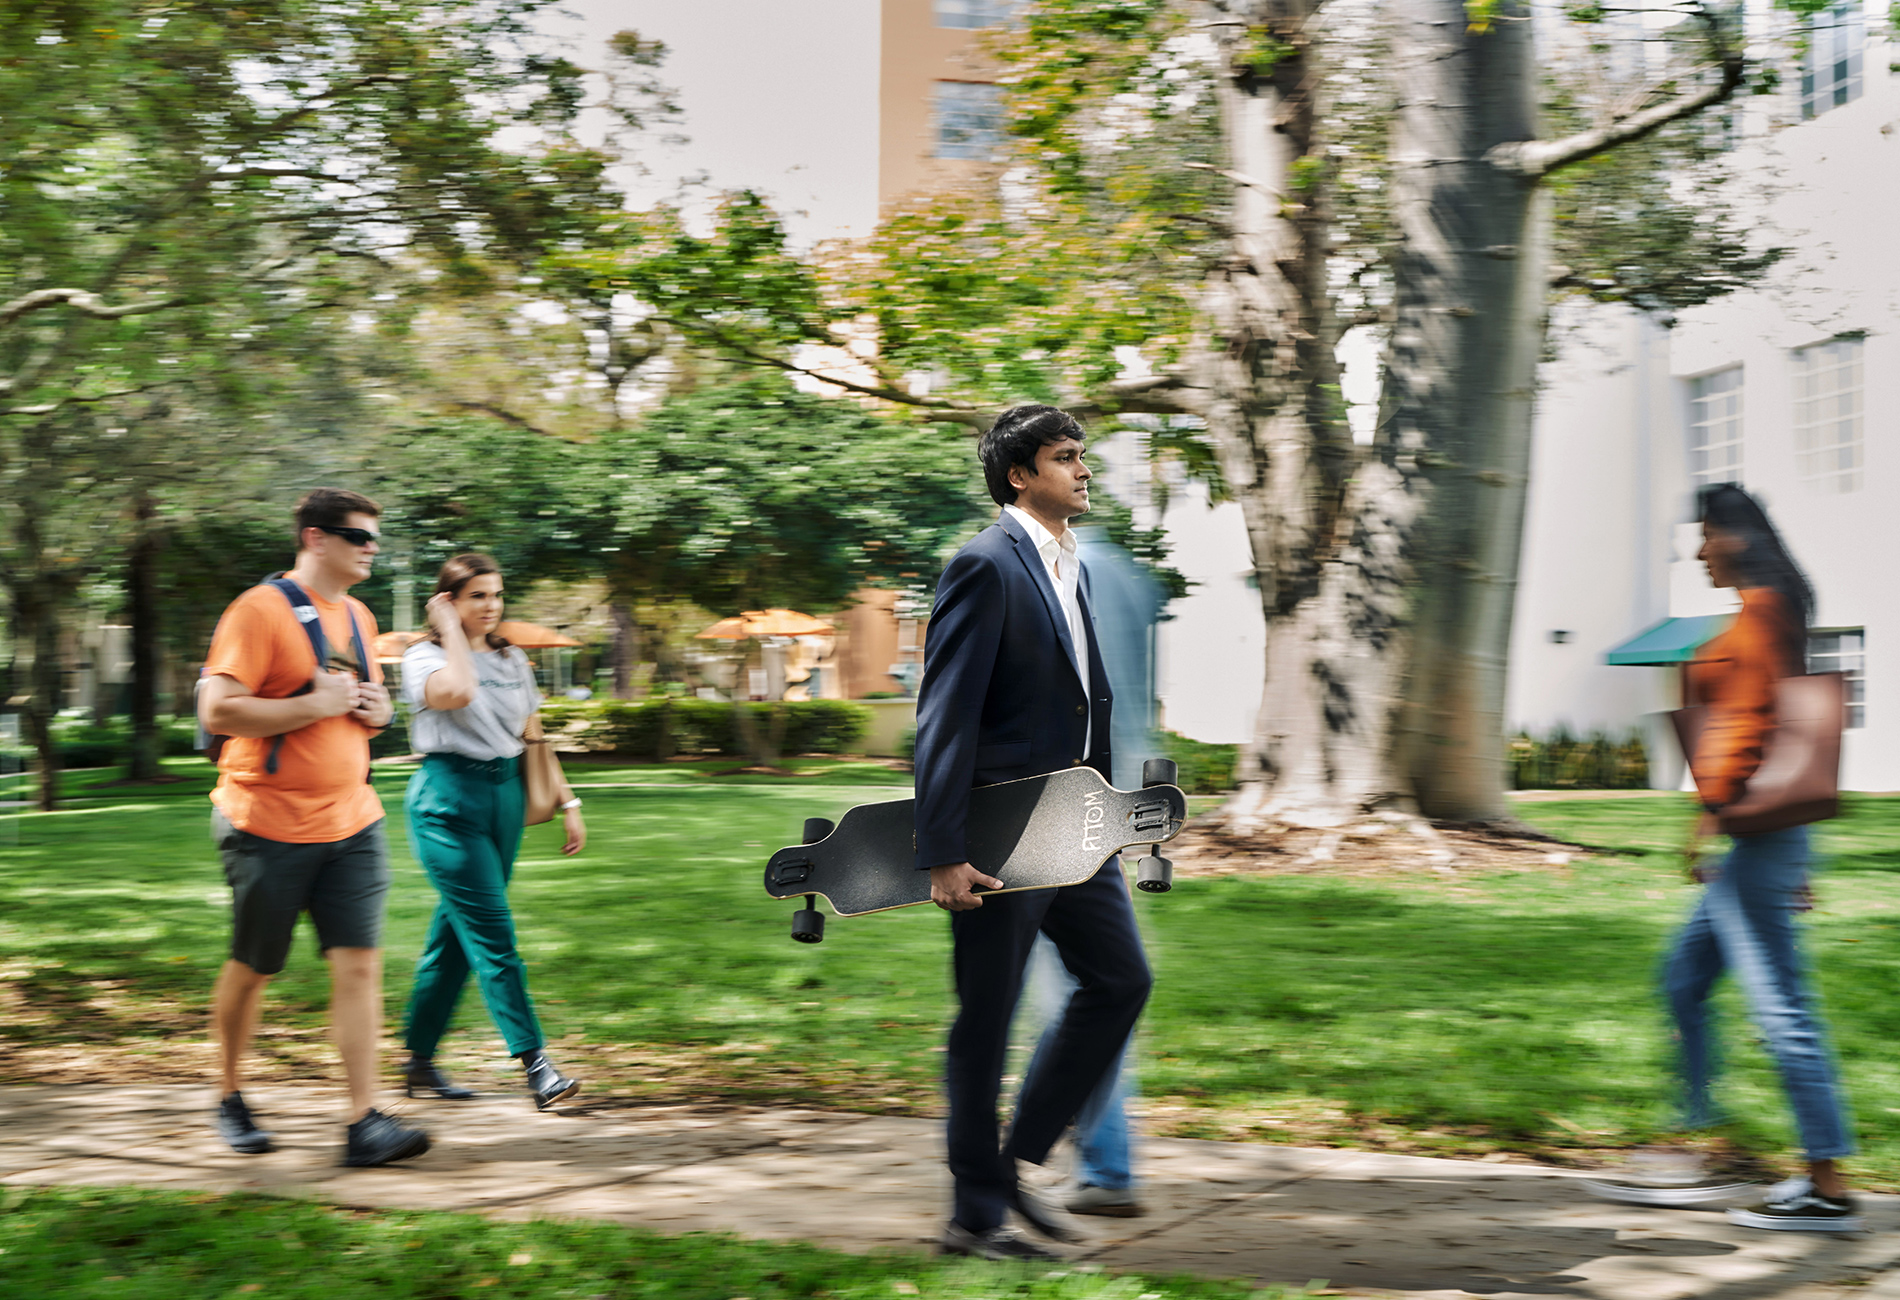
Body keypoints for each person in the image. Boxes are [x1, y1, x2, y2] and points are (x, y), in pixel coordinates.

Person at [913, 404, 1153, 1261]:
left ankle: (1008, 1166)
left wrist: (1108, 815)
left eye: (1083, 456)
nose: (1084, 471)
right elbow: (946, 714)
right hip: (998, 833)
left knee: (1120, 982)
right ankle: (974, 1218)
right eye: (1066, 458)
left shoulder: (1068, 562)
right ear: (1021, 475)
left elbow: (1084, 702)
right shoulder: (984, 564)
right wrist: (942, 850)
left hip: (1074, 826)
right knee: (988, 1016)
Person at [1598, 484, 1857, 1231]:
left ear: (1733, 537)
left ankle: (1826, 1182)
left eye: (1704, 537)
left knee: (1782, 1010)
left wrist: (1713, 817)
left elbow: (1756, 722)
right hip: (1758, 840)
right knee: (1682, 980)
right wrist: (1730, 834)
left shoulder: (1765, 612)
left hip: (1756, 839)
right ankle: (1702, 1144)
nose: (1700, 553)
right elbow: (1771, 731)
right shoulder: (1761, 613)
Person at [198, 488, 429, 1167]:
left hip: (352, 821)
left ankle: (364, 1121)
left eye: (374, 539)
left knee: (359, 966)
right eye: (358, 536)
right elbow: (219, 709)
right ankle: (229, 1093)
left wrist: (378, 709)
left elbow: (363, 705)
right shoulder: (258, 610)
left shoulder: (358, 615)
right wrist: (309, 706)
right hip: (264, 824)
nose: (370, 549)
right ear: (314, 538)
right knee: (255, 966)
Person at [398, 554, 587, 1110]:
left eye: (497, 595)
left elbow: (534, 735)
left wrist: (567, 799)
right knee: (494, 935)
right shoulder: (422, 657)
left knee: (456, 939)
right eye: (477, 595)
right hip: (447, 803)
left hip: (504, 798)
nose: (491, 605)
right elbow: (454, 693)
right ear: (449, 601)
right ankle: (536, 1064)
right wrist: (452, 632)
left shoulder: (513, 658)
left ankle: (417, 1060)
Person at [1013, 527, 1165, 1219]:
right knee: (1103, 989)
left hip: (1045, 815)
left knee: (1072, 996)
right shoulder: (1129, 576)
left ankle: (1089, 1165)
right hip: (1115, 806)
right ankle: (1089, 1160)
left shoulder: (1046, 576)